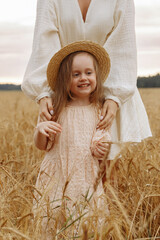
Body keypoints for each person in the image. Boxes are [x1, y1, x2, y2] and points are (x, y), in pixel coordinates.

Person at [21, 0, 152, 160]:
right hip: (66, 92)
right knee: (64, 162)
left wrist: (114, 97)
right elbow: (43, 43)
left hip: (112, 90)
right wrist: (42, 93)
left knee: (108, 174)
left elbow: (124, 45)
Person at [33, 41, 111, 238]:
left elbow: (103, 140)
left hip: (85, 177)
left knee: (85, 221)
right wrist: (40, 130)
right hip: (57, 174)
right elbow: (42, 146)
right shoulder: (55, 108)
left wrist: (102, 148)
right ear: (64, 79)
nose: (83, 78)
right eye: (75, 74)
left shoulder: (99, 109)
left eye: (88, 73)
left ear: (96, 76)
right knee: (53, 219)